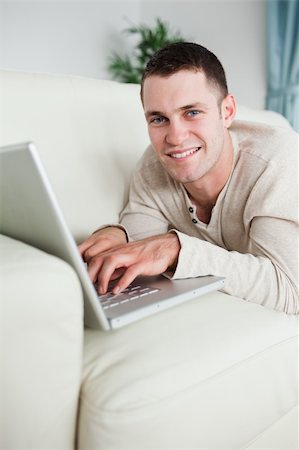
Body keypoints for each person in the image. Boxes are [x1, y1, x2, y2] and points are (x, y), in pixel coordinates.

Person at [79, 42, 298, 314]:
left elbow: (289, 291)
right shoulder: (154, 166)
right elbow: (142, 245)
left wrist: (176, 248)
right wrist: (116, 234)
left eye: (192, 113)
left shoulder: (278, 162)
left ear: (227, 111)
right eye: (159, 119)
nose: (175, 137)